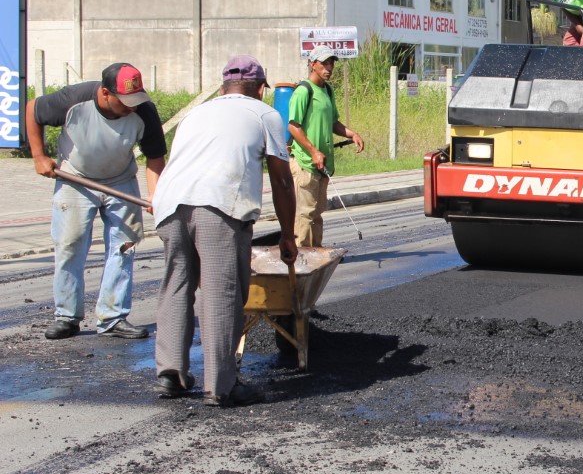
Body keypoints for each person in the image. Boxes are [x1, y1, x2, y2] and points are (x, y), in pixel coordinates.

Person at [150, 55, 297, 406]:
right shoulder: (266, 114)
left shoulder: (197, 113)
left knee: (177, 285)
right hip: (218, 204)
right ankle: (221, 385)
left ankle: (171, 372)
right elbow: (281, 179)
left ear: (222, 87)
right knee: (221, 293)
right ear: (261, 89)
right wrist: (287, 235)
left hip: (169, 203)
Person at [26, 63, 167, 340]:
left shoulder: (144, 111)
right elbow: (33, 108)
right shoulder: (73, 100)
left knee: (124, 247)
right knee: (70, 246)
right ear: (105, 93)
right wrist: (38, 155)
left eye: (135, 101)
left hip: (121, 181)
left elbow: (154, 157)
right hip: (74, 179)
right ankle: (67, 316)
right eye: (125, 102)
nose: (131, 107)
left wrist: (155, 196)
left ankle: (112, 317)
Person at [287, 46, 365, 247]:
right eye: (324, 63)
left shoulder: (327, 91)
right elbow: (293, 126)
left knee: (317, 212)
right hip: (306, 162)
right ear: (313, 64)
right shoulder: (304, 91)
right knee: (305, 213)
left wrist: (352, 134)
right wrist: (313, 151)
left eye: (331, 63)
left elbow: (333, 123)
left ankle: (316, 252)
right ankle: (301, 256)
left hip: (322, 164)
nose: (329, 68)